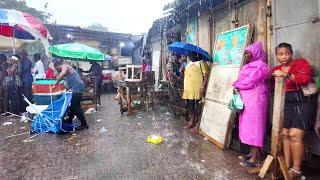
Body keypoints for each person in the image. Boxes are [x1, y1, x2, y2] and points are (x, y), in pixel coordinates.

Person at [272, 43, 317, 178]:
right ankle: (287, 166)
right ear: (277, 56)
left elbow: (305, 79)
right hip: (286, 102)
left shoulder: (301, 64)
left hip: (302, 101)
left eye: (287, 53)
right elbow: (270, 85)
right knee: (285, 134)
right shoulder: (276, 69)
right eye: (280, 54)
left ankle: (296, 170)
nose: (284, 56)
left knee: (294, 135)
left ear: (291, 53)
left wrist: (286, 74)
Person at [232, 42, 271, 167]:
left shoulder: (262, 66)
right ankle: (251, 153)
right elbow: (240, 80)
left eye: (249, 53)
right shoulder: (247, 66)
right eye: (245, 54)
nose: (246, 56)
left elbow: (250, 81)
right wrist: (236, 85)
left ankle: (256, 157)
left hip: (257, 101)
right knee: (248, 127)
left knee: (256, 128)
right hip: (247, 101)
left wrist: (237, 85)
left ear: (256, 53)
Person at [53, 59, 88, 130]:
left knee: (76, 107)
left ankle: (84, 124)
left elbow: (62, 74)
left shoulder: (65, 66)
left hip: (78, 89)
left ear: (58, 66)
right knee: (72, 106)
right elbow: (63, 78)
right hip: (75, 89)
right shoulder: (64, 70)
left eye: (57, 69)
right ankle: (69, 120)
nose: (57, 70)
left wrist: (55, 84)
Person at [182, 53, 209, 131]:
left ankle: (198, 124)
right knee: (190, 107)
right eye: (190, 55)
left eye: (192, 55)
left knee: (198, 108)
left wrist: (203, 86)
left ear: (196, 55)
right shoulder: (188, 65)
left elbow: (206, 75)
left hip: (197, 89)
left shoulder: (201, 63)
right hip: (188, 90)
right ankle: (191, 122)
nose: (190, 57)